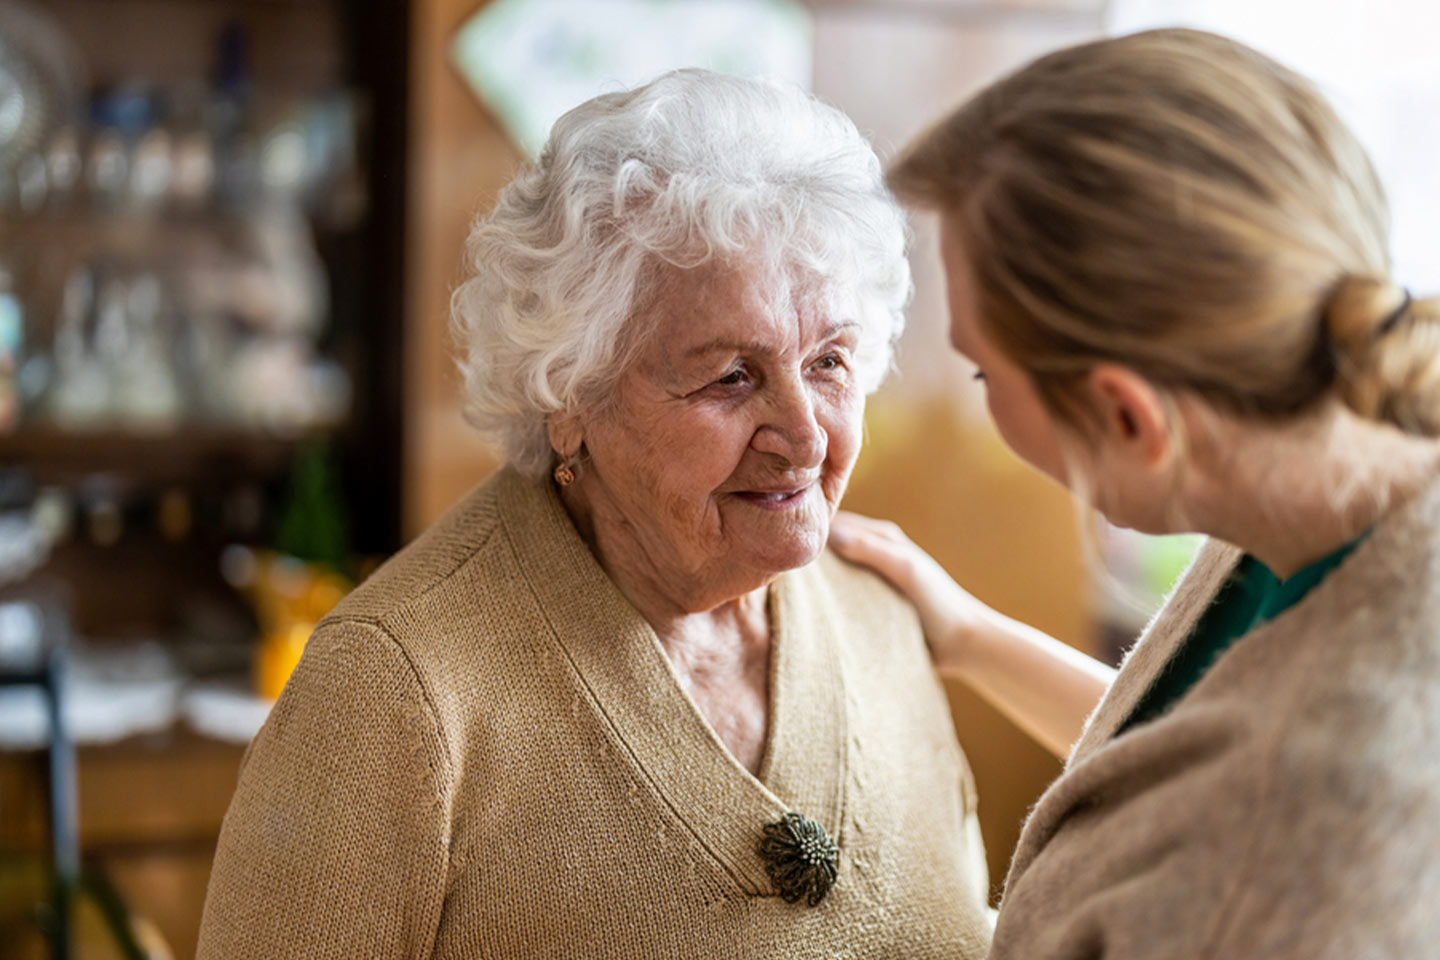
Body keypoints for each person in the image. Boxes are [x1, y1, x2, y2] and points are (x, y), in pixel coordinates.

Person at [196, 69, 994, 960]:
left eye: (831, 363)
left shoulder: (882, 619)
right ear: (569, 393)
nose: (804, 439)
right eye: (731, 374)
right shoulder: (394, 695)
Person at [831, 27, 1440, 959]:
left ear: (1126, 417)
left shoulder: (1326, 832)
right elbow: (1190, 764)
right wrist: (969, 636)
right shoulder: (1313, 478)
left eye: (986, 375)